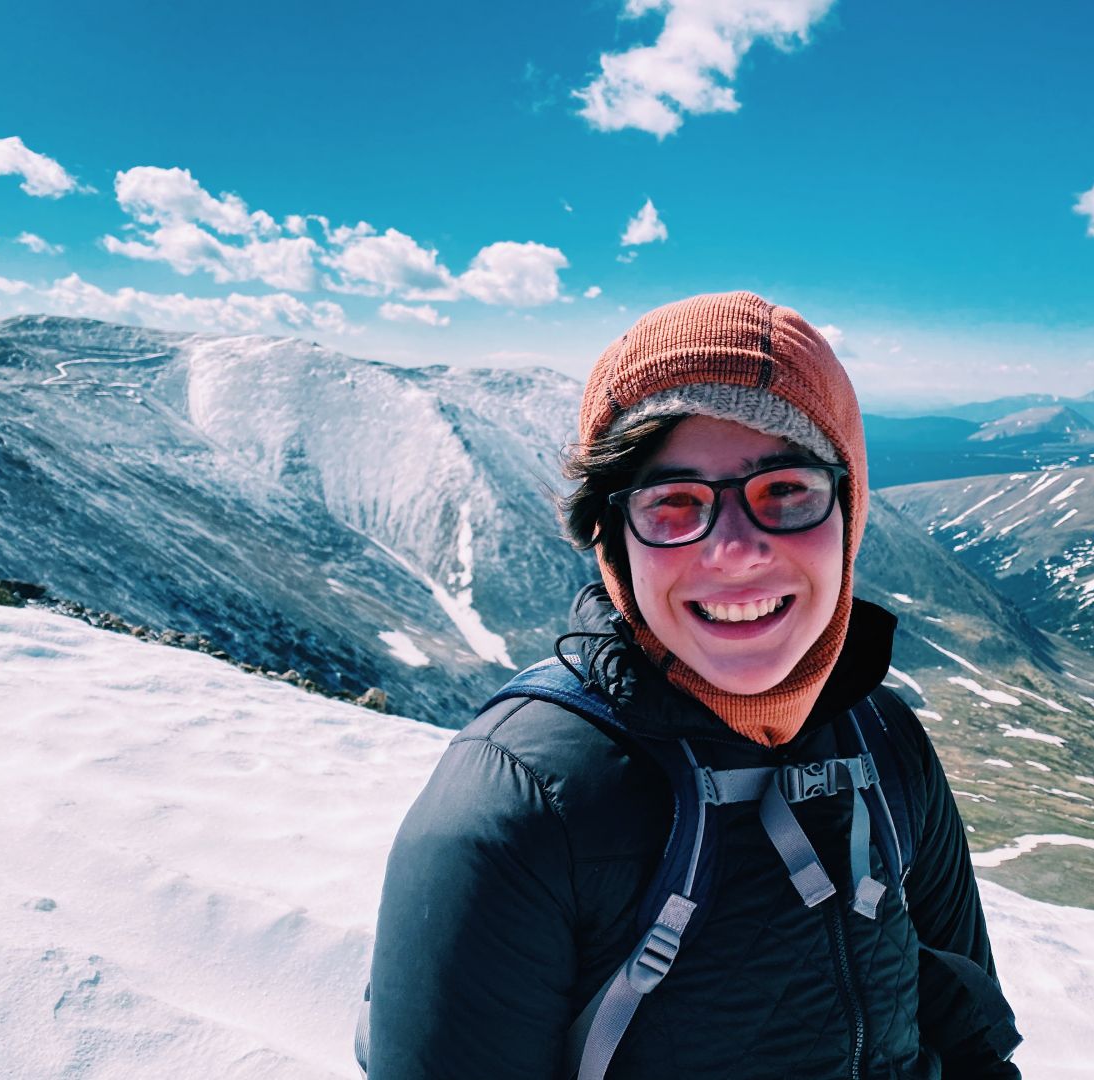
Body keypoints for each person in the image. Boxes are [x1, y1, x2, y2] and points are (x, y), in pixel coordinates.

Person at [359, 291, 1021, 1078]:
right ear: (613, 540)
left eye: (787, 490)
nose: (735, 552)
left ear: (848, 513)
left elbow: (973, 1048)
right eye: (673, 502)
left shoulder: (885, 742)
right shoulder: (514, 811)